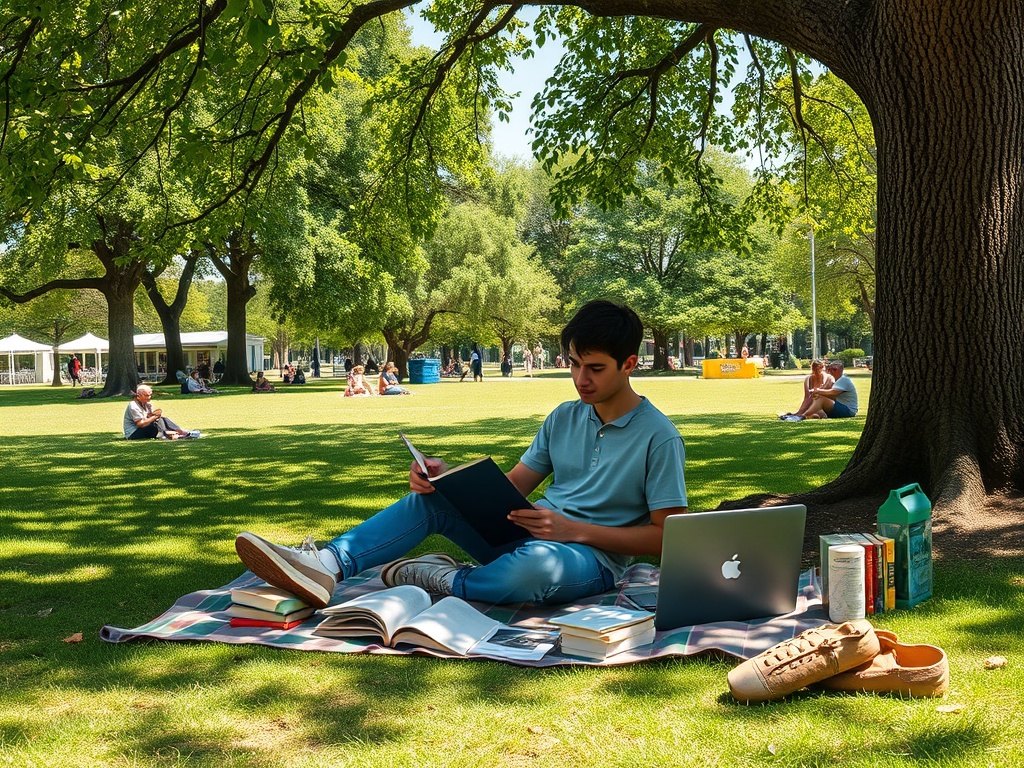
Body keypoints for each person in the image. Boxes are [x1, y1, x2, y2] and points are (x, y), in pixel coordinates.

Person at [234, 299, 688, 608]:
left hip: (590, 559)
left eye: (595, 368)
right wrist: (450, 481)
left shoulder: (659, 437)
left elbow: (664, 538)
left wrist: (574, 529)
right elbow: (513, 489)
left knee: (532, 569)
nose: (580, 378)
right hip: (528, 533)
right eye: (573, 364)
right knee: (431, 498)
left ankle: (442, 579)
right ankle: (325, 565)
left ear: (629, 364)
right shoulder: (564, 416)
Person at [123, 385, 199, 440]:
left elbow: (149, 417)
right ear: (138, 396)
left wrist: (153, 414)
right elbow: (141, 424)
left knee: (162, 419)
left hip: (145, 428)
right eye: (146, 395)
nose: (149, 398)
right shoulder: (133, 406)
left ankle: (180, 432)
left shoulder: (146, 404)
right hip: (133, 433)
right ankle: (172, 435)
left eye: (150, 395)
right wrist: (154, 417)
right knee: (154, 426)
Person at [793, 361, 859, 420]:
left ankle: (802, 416)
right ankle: (811, 416)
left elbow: (833, 393)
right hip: (842, 408)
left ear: (841, 370)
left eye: (835, 369)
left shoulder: (843, 379)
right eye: (830, 369)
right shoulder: (837, 380)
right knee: (817, 407)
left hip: (848, 410)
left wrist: (818, 391)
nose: (832, 371)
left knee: (821, 398)